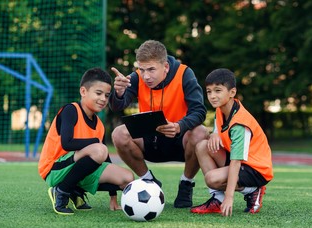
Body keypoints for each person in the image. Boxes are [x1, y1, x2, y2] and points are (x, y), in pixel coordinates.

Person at [109, 40, 208, 208]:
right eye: (142, 69)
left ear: (166, 67)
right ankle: (149, 181)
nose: (146, 76)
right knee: (118, 134)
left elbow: (199, 111)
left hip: (180, 141)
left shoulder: (185, 74)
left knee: (201, 132)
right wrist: (118, 93)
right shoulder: (136, 78)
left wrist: (179, 126)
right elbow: (118, 106)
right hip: (149, 142)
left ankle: (186, 184)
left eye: (151, 69)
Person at [38, 67, 134, 215]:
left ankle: (75, 190)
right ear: (83, 91)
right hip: (54, 169)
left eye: (107, 95)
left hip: (78, 167)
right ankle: (62, 191)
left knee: (127, 178)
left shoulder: (99, 125)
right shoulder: (71, 110)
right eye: (98, 93)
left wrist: (113, 197)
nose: (103, 99)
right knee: (99, 149)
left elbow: (105, 160)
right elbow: (67, 143)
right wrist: (95, 142)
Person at [190, 68, 273, 217]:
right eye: (209, 91)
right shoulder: (221, 108)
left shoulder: (240, 123)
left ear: (232, 93)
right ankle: (217, 199)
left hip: (256, 169)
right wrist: (214, 133)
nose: (212, 96)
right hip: (242, 163)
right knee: (202, 146)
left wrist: (230, 197)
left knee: (211, 179)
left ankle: (253, 189)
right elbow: (218, 125)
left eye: (218, 91)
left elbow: (236, 162)